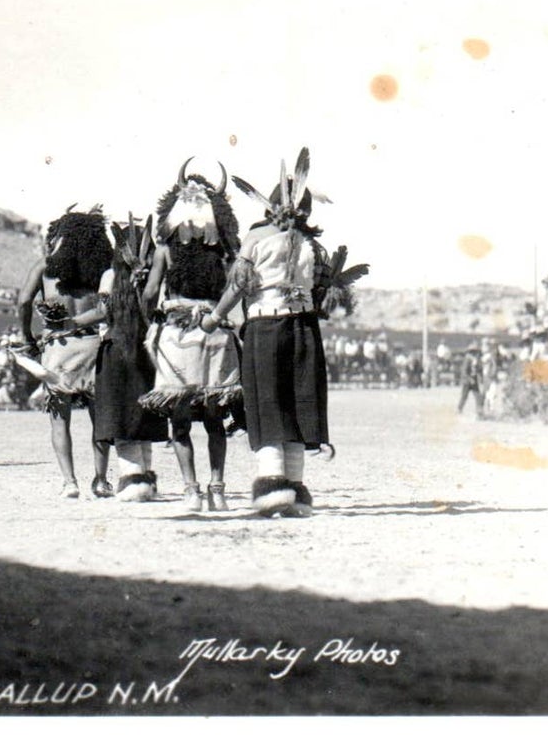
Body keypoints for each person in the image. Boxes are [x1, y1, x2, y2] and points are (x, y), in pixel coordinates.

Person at [200, 148, 368, 517]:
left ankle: (273, 485)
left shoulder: (258, 236)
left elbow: (239, 285)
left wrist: (213, 317)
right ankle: (295, 488)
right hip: (305, 328)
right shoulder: (316, 246)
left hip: (265, 326)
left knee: (268, 401)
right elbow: (326, 294)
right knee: (299, 401)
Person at [140, 161, 244, 511]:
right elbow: (236, 291)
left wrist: (147, 318)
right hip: (214, 334)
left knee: (179, 419)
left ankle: (191, 490)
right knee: (215, 418)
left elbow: (151, 292)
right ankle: (218, 488)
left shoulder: (165, 251)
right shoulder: (226, 253)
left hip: (178, 336)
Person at [15, 206, 113, 498]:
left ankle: (69, 482)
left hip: (56, 348)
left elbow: (22, 302)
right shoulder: (102, 269)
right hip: (93, 345)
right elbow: (106, 309)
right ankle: (100, 479)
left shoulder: (45, 268)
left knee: (59, 418)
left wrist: (26, 336)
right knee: (100, 418)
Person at [89, 217, 168, 502]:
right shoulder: (154, 277)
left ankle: (133, 477)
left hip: (116, 350)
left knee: (120, 415)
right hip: (146, 349)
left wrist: (71, 321)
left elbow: (102, 312)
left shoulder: (110, 277)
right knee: (142, 413)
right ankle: (146, 476)